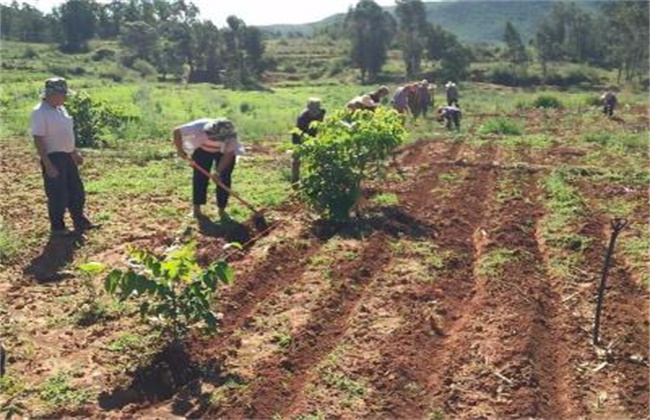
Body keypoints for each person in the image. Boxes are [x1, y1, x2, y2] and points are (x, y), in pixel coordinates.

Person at [30, 77, 96, 237]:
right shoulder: (40, 112)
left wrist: (74, 152)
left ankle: (79, 220)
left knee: (77, 191)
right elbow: (38, 139)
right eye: (62, 94)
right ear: (51, 95)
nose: (65, 97)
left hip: (67, 155)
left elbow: (66, 134)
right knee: (57, 194)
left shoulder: (61, 109)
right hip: (53, 157)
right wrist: (48, 164)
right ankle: (57, 227)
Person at [173, 118, 243, 219]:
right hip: (202, 150)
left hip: (222, 152)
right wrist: (180, 150)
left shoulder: (232, 137)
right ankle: (196, 210)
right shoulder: (199, 126)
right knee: (199, 177)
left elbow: (228, 155)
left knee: (224, 178)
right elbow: (177, 131)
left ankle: (221, 210)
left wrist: (218, 172)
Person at [291, 98, 326, 183]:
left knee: (317, 159)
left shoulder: (321, 113)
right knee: (297, 160)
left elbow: (321, 125)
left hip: (315, 137)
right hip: (300, 137)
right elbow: (302, 133)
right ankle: (295, 180)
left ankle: (314, 179)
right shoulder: (303, 117)